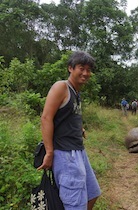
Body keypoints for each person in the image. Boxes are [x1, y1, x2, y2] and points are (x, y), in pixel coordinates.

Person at [38, 51, 101, 210]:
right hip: (66, 155)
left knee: (93, 193)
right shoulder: (61, 87)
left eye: (89, 69)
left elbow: (65, 115)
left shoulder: (76, 92)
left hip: (78, 151)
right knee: (74, 204)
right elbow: (46, 118)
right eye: (81, 68)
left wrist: (79, 128)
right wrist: (49, 152)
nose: (86, 73)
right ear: (70, 68)